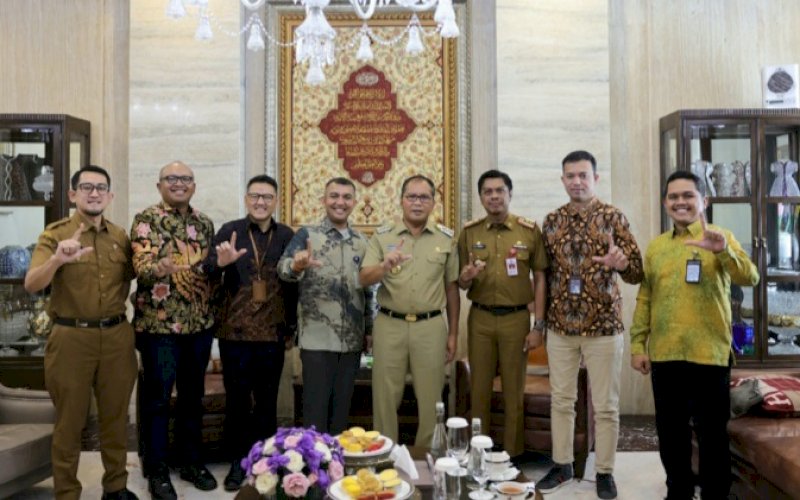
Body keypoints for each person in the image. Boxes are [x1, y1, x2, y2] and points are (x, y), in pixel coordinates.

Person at [630, 170, 759, 500]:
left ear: (705, 200)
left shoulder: (721, 237)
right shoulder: (657, 247)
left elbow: (751, 277)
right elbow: (645, 298)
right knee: (671, 434)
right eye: (673, 197)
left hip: (709, 354)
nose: (680, 202)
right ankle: (679, 492)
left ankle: (716, 494)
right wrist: (637, 344)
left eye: (688, 195)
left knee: (713, 435)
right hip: (666, 353)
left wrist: (722, 251)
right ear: (665, 203)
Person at [24, 165, 138, 500]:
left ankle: (115, 487)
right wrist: (57, 260)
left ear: (110, 196)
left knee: (116, 419)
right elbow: (32, 284)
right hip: (71, 337)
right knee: (70, 422)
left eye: (101, 187)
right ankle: (67, 493)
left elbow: (135, 276)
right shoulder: (55, 234)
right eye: (86, 187)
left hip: (117, 337)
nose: (94, 193)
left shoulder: (120, 237)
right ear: (73, 194)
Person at [539, 150, 643, 499]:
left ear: (596, 178)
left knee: (606, 404)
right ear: (563, 179)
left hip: (603, 326)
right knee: (562, 400)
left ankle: (604, 471)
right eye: (570, 175)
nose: (577, 181)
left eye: (583, 175)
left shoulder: (614, 217)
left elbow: (636, 273)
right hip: (560, 327)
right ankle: (563, 464)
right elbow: (542, 275)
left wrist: (621, 262)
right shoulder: (551, 221)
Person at [204, 174, 298, 491]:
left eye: (267, 197)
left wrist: (292, 329)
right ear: (246, 200)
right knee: (237, 403)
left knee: (268, 404)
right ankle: (236, 463)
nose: (260, 202)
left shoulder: (286, 235)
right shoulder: (229, 230)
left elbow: (294, 287)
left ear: (275, 201)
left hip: (272, 335)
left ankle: (265, 465)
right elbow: (206, 271)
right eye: (255, 196)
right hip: (236, 335)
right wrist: (220, 262)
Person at [131, 161, 217, 499]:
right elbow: (141, 267)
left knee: (192, 398)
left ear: (193, 186)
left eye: (185, 179)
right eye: (172, 178)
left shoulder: (204, 223)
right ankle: (157, 469)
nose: (179, 184)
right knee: (158, 400)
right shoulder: (146, 220)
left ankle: (190, 462)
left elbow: (210, 270)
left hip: (198, 325)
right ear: (159, 185)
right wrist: (160, 267)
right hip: (159, 327)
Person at [359, 174, 460, 446]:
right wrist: (384, 267)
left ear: (432, 202)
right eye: (411, 197)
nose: (417, 203)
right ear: (401, 201)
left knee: (431, 397)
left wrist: (453, 335)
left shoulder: (446, 239)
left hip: (431, 327)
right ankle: (385, 453)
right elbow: (364, 278)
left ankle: (426, 455)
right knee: (384, 395)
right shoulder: (382, 237)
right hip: (389, 324)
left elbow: (452, 289)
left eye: (424, 197)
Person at [456, 169, 548, 457]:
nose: (494, 196)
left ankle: (511, 455)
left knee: (513, 392)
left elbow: (542, 278)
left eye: (500, 191)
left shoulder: (529, 230)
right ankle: (479, 455)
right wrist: (467, 276)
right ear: (481, 197)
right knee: (479, 391)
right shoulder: (470, 232)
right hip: (480, 318)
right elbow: (460, 281)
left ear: (510, 194)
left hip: (517, 319)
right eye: (488, 192)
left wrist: (538, 326)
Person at [278, 177, 375, 436]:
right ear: (324, 200)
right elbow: (283, 269)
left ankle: (337, 467)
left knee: (341, 412)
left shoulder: (362, 242)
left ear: (354, 202)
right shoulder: (307, 235)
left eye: (346, 197)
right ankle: (315, 468)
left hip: (351, 341)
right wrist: (297, 265)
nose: (339, 202)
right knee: (315, 412)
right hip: (317, 338)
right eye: (334, 196)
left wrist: (370, 330)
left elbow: (369, 291)